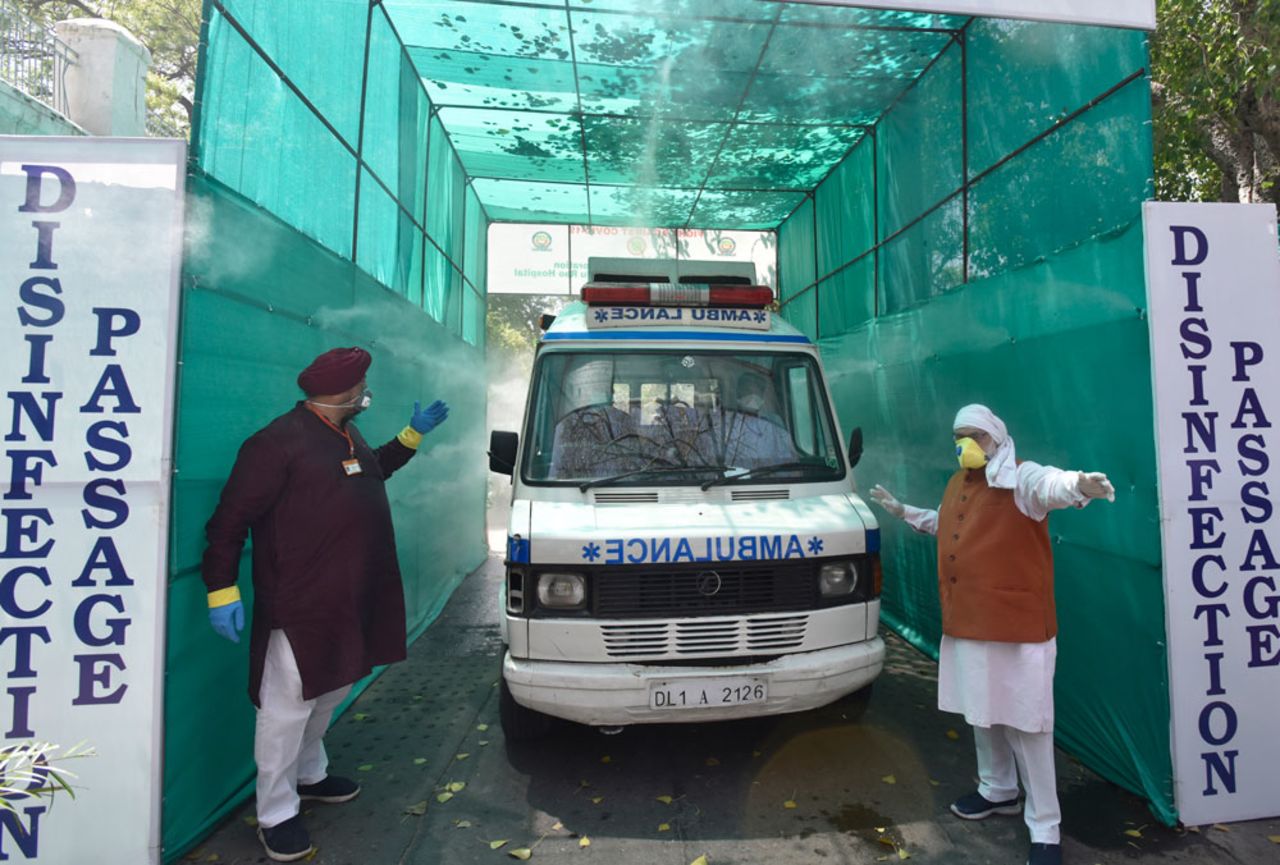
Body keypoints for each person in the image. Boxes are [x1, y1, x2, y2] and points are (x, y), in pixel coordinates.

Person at [201, 347, 449, 862]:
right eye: (362, 388)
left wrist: (411, 435)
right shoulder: (274, 444)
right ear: (348, 393)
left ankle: (310, 774)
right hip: (300, 601)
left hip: (352, 593)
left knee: (332, 687)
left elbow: (371, 468)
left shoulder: (343, 431)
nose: (366, 395)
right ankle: (275, 813)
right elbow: (228, 523)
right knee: (286, 706)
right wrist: (221, 590)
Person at [868, 404, 1114, 865]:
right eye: (959, 436)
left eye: (975, 435)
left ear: (998, 438)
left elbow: (1050, 485)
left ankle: (1046, 828)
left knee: (1027, 725)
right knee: (982, 713)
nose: (965, 444)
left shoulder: (1022, 479)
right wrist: (904, 512)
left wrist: (1078, 485)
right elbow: (947, 525)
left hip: (1019, 630)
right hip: (968, 623)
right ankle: (998, 789)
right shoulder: (958, 483)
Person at [719, 371, 795, 467]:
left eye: (757, 393)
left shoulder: (774, 423)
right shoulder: (726, 424)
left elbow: (788, 459)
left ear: (762, 397)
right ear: (738, 395)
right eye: (748, 391)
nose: (753, 397)